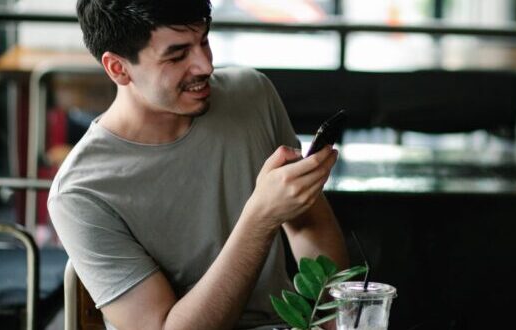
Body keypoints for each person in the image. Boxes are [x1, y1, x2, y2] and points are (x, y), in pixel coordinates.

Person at [48, 1, 348, 329]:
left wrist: (333, 322)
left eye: (204, 40)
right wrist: (260, 218)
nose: (205, 65)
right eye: (177, 55)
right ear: (119, 68)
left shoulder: (252, 94)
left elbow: (310, 225)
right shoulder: (81, 192)